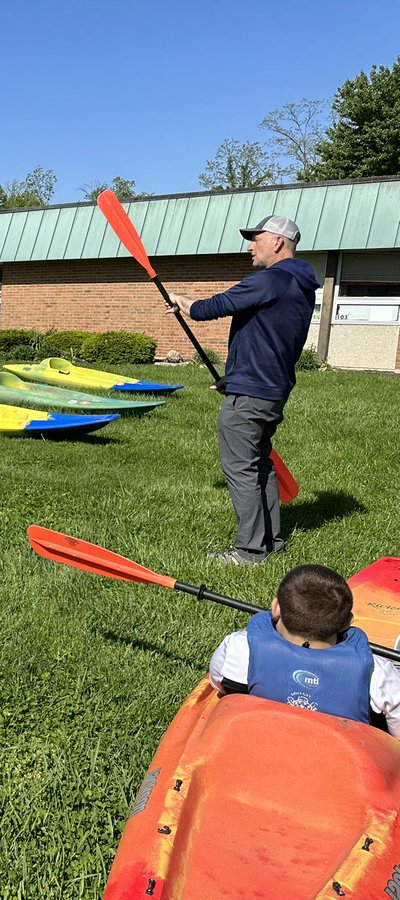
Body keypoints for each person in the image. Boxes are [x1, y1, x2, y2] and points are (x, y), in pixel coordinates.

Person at [167, 215, 320, 566]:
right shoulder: (299, 285)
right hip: (270, 389)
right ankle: (269, 542)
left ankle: (249, 551)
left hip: (253, 394)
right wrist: (233, 379)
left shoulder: (272, 279)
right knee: (260, 466)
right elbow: (266, 341)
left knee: (241, 468)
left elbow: (213, 308)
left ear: (278, 242)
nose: (250, 246)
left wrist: (182, 300)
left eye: (257, 239)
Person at [209, 564, 400, 738]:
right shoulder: (379, 675)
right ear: (347, 623)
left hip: (260, 746)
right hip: (340, 768)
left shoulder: (239, 648)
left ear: (276, 607)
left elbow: (220, 685)